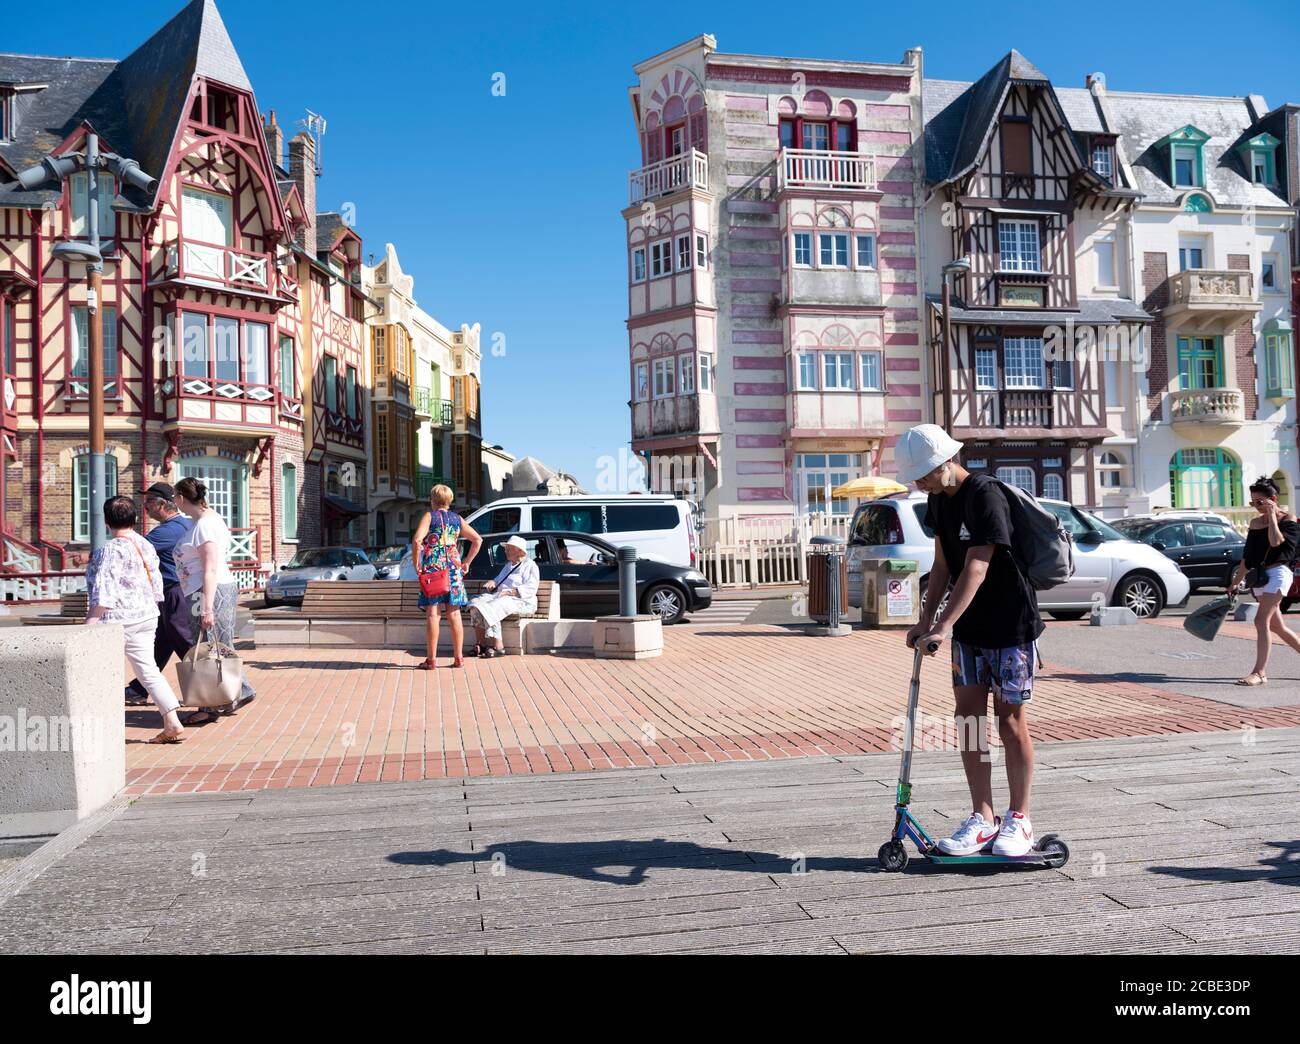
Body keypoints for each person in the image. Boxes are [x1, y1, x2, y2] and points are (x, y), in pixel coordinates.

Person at [899, 424, 1044, 858]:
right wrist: (925, 621)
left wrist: (942, 626)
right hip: (968, 628)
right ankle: (982, 818)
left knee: (1009, 721)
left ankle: (1019, 819)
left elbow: (977, 567)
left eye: (924, 474)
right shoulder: (937, 501)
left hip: (1010, 623)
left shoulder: (985, 494)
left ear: (947, 463)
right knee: (969, 721)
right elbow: (943, 566)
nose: (919, 482)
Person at [85, 496, 185, 744]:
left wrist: (88, 625)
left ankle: (101, 729)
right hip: (147, 613)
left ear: (107, 521)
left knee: (100, 672)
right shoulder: (144, 543)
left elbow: (104, 590)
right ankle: (172, 720)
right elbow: (156, 579)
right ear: (136, 518)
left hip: (118, 619)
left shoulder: (110, 549)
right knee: (148, 671)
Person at [172, 476, 256, 722]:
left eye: (175, 497)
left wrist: (207, 608)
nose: (174, 501)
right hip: (207, 589)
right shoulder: (207, 519)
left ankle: (213, 704)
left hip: (207, 591)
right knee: (217, 646)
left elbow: (209, 568)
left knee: (210, 648)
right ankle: (232, 694)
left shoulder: (204, 526)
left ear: (182, 499)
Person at [124, 483, 195, 706]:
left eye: (149, 502)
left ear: (163, 504)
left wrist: (91, 557)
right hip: (177, 592)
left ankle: (220, 687)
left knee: (186, 643)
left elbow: (134, 551)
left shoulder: (168, 531)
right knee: (162, 643)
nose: (145, 506)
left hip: (175, 593)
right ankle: (138, 689)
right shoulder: (184, 524)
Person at [1230, 476, 1300, 686]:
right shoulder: (1254, 523)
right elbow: (1248, 557)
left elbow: (1276, 541)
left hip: (1279, 574)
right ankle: (1260, 672)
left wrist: (1272, 517)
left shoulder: (1289, 520)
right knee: (1277, 626)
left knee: (1261, 621)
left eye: (1260, 502)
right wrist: (1235, 582)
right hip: (1260, 578)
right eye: (1253, 503)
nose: (1257, 507)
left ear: (1273, 499)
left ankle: (1259, 673)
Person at [411, 484, 482, 669]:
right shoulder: (457, 519)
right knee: (455, 613)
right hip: (453, 568)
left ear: (432, 499)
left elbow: (418, 540)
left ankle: (431, 660)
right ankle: (458, 658)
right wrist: (466, 562)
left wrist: (417, 564)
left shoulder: (430, 516)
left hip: (434, 568)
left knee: (433, 614)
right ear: (449, 500)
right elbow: (477, 539)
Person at [468, 536, 540, 658]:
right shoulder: (509, 565)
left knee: (494, 606)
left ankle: (498, 647)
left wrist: (509, 592)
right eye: (506, 548)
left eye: (508, 548)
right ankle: (481, 644)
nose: (505, 551)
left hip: (522, 601)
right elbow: (499, 580)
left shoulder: (530, 566)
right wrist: (493, 582)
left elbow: (531, 588)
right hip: (501, 597)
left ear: (519, 550)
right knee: (476, 603)